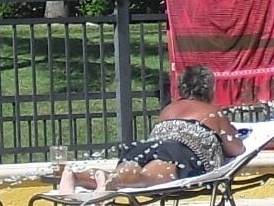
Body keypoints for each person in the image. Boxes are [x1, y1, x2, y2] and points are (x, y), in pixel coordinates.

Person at [58, 65, 243, 195]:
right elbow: (236, 149)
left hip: (148, 146)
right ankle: (108, 180)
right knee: (145, 176)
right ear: (209, 90)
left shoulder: (169, 109)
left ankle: (76, 176)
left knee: (126, 172)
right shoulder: (213, 112)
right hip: (179, 153)